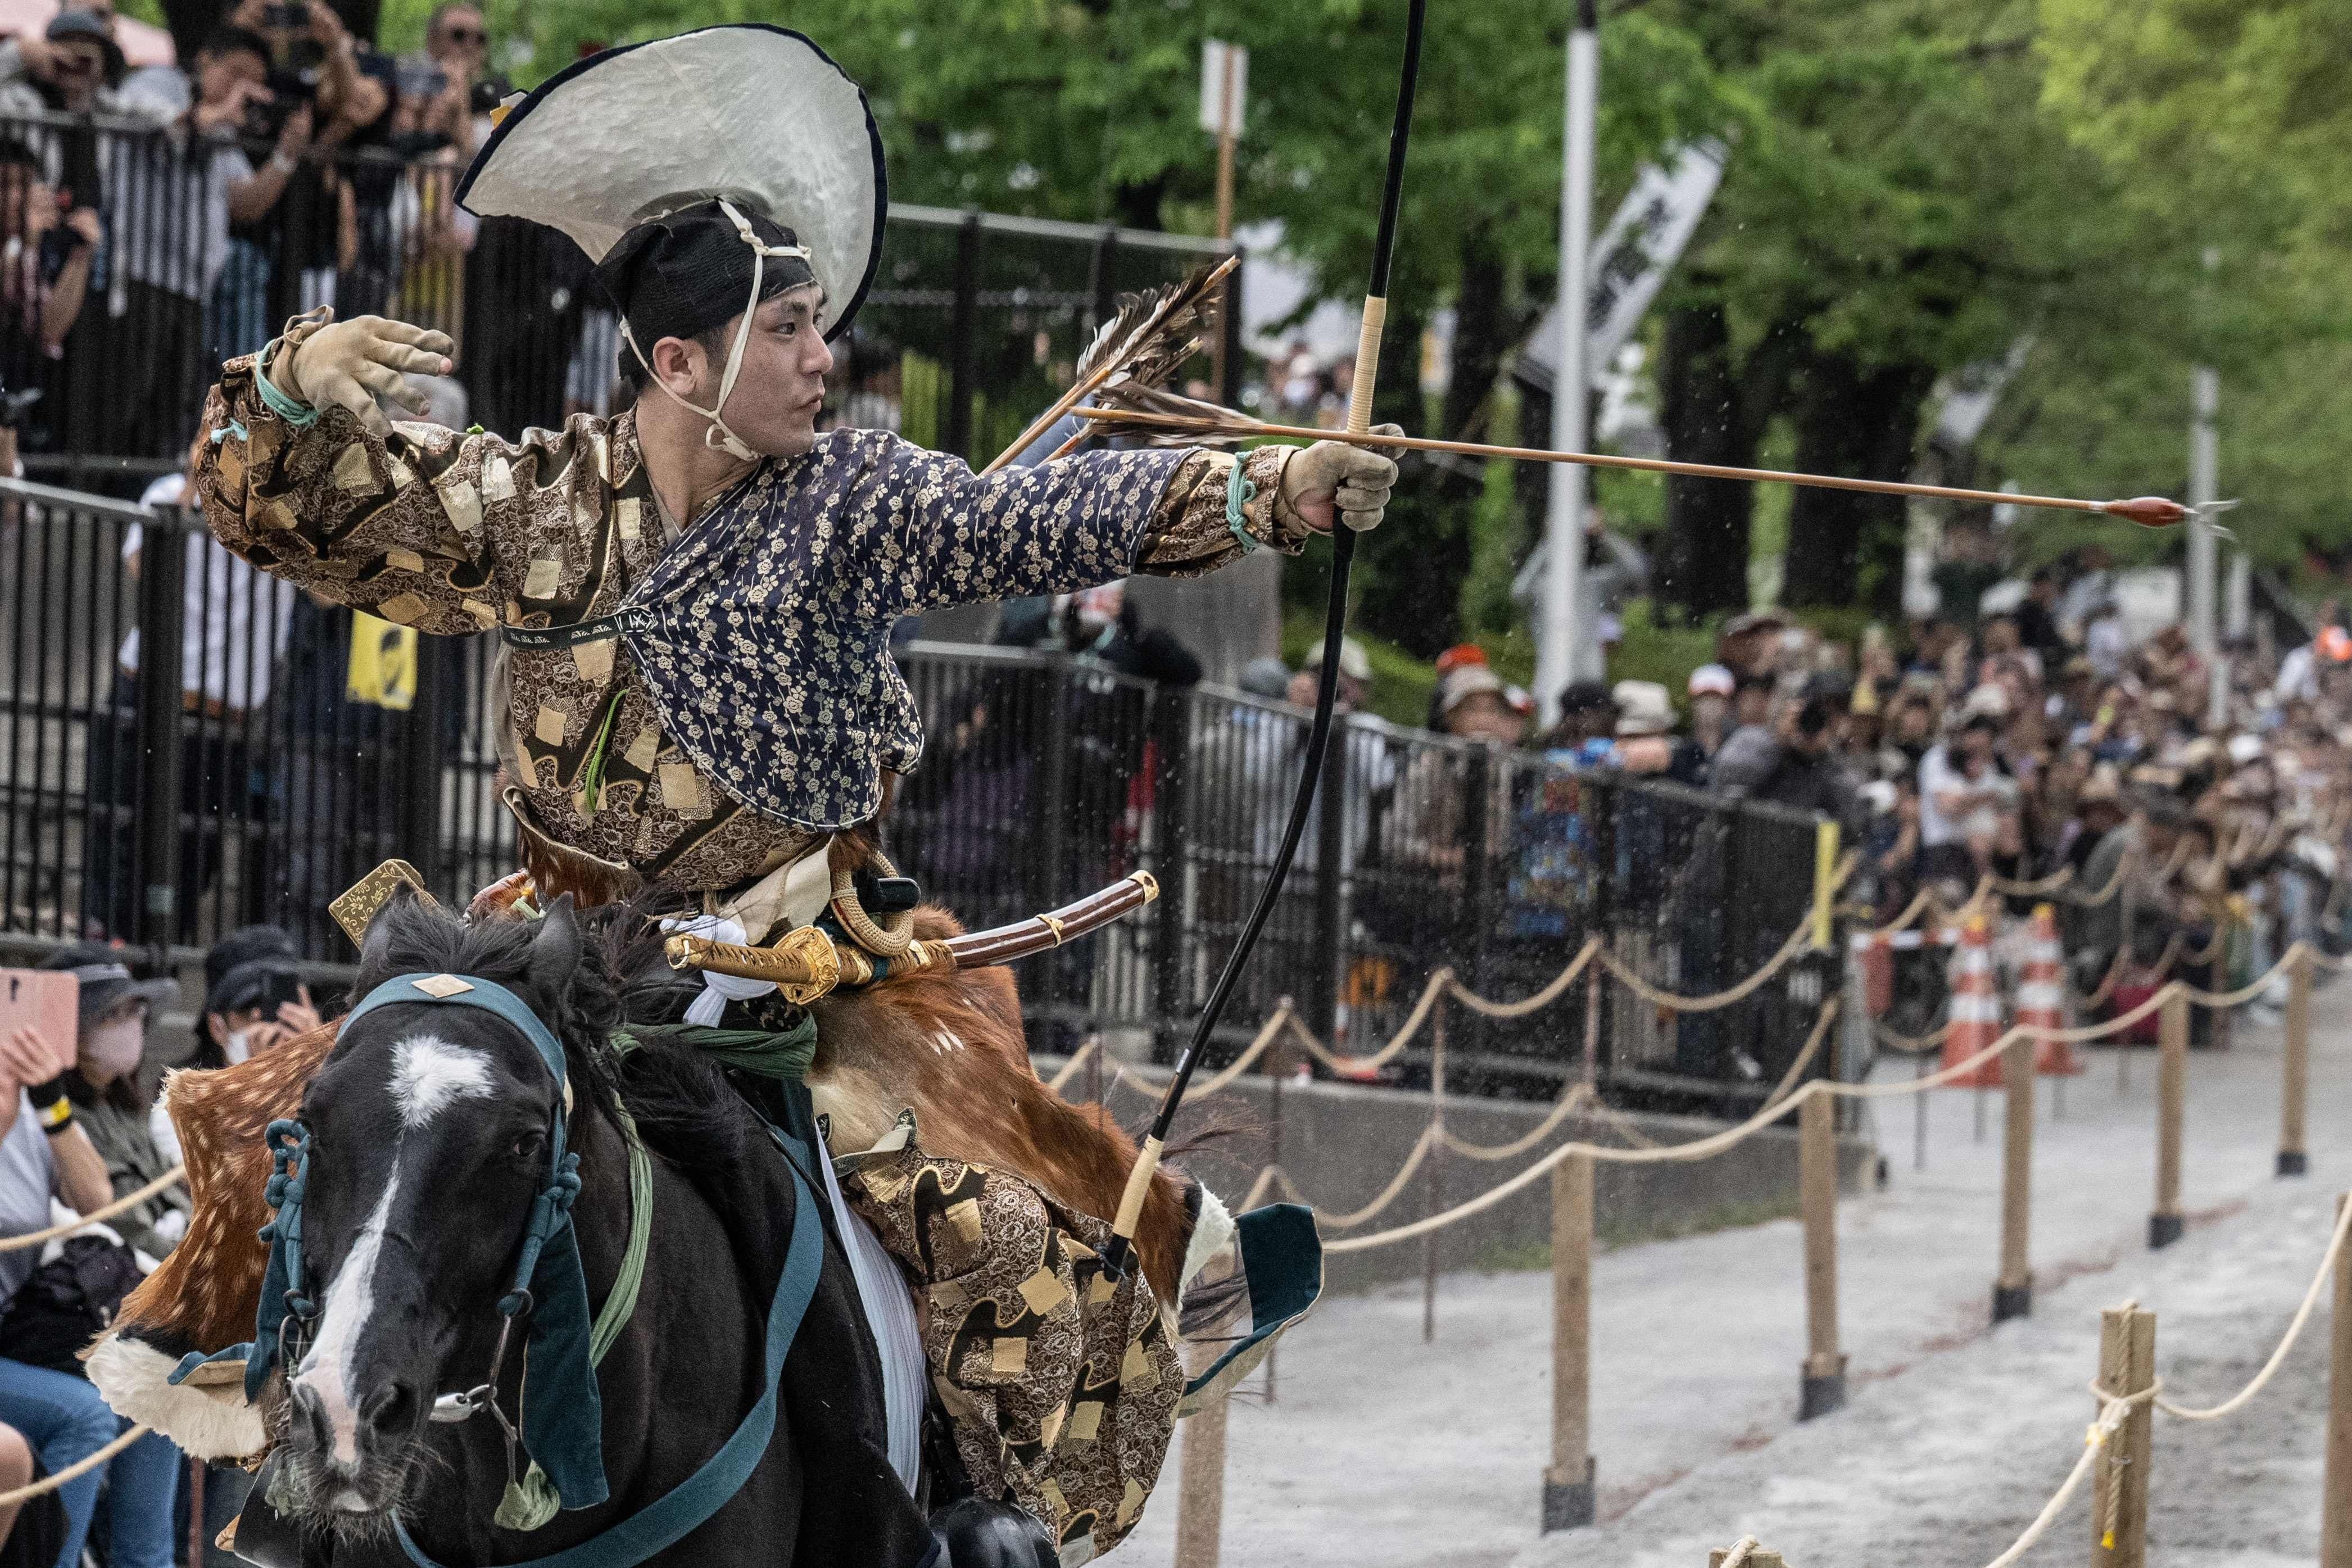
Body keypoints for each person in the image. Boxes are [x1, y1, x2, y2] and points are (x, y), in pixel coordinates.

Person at [187, 26, 1395, 1561]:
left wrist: (1263, 486)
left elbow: (1031, 519)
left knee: (987, 1234)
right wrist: (287, 386)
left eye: (823, 326)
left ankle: (952, 1512)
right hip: (553, 965)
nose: (825, 360)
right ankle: (297, 1485)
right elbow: (292, 511)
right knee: (320, 1141)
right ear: (677, 362)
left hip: (784, 990)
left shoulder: (857, 498)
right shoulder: (533, 506)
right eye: (790, 330)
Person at [0, 953, 182, 1568]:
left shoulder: (38, 1113)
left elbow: (96, 1200)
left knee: (157, 1384)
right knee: (84, 1413)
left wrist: (49, 1104)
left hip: (16, 1332)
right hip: (14, 1347)